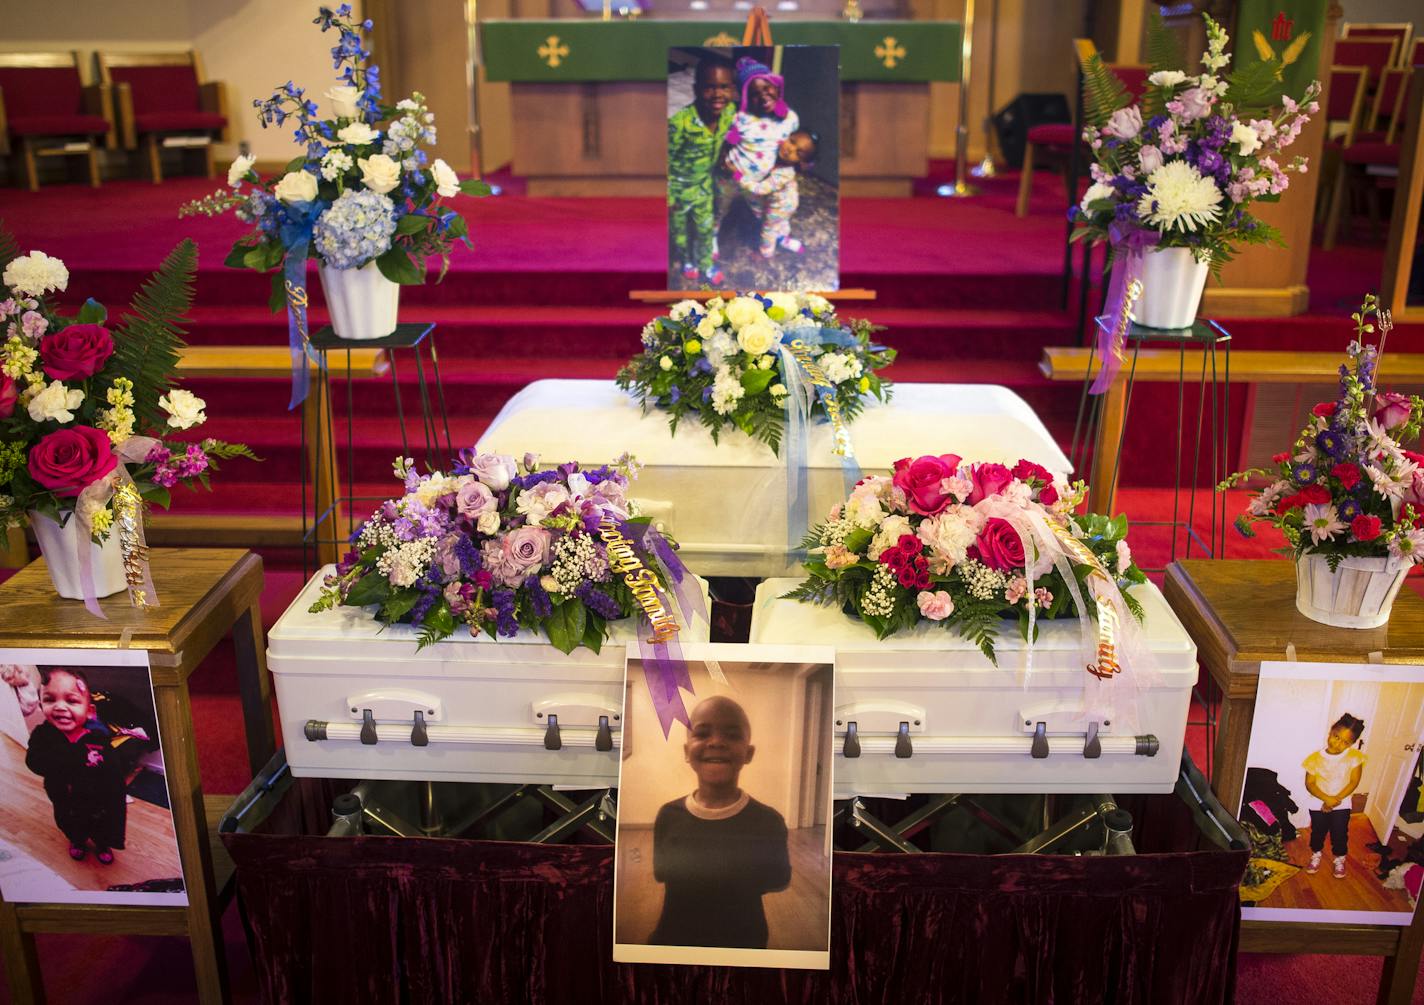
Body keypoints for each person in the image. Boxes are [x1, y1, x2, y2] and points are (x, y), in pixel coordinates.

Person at [649, 695, 791, 948]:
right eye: (702, 733)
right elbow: (661, 873)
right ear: (686, 751)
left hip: (744, 942)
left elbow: (779, 880)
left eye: (733, 735)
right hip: (673, 939)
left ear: (749, 753)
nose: (716, 742)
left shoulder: (770, 822)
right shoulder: (668, 816)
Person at [11, 667, 129, 864]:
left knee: (100, 826)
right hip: (64, 799)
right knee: (70, 824)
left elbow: (113, 773)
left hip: (97, 802)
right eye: (50, 699)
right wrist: (62, 755)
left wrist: (115, 797)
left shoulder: (98, 739)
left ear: (89, 712)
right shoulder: (43, 735)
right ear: (41, 705)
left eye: (71, 700)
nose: (59, 707)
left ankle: (102, 844)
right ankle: (78, 841)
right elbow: (33, 762)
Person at [716, 57, 804, 259]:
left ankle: (780, 237)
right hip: (732, 175)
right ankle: (712, 236)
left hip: (763, 183)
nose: (763, 96)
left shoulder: (790, 118)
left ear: (776, 87)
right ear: (746, 98)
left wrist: (799, 163)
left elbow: (795, 146)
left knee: (766, 213)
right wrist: (722, 159)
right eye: (754, 94)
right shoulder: (740, 118)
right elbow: (728, 141)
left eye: (767, 88)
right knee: (720, 206)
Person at [668, 57, 736, 286]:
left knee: (705, 229)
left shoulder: (729, 114)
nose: (718, 94)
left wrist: (725, 157)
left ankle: (705, 263)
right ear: (696, 89)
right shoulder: (680, 123)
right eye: (710, 86)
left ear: (733, 90)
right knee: (680, 233)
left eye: (724, 87)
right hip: (678, 188)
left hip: (704, 185)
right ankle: (687, 260)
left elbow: (726, 139)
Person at [1302, 713, 1367, 879]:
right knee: (1318, 831)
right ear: (1330, 732)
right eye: (1336, 737)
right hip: (1318, 803)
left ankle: (1340, 858)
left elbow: (1353, 782)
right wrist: (1326, 799)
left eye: (1345, 742)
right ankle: (1316, 854)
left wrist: (1334, 801)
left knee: (1339, 833)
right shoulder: (1314, 758)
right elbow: (1310, 784)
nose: (1338, 744)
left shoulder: (1355, 757)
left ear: (1352, 743)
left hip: (1342, 804)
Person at [733, 130, 817, 259]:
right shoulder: (776, 152)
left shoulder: (785, 173)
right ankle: (783, 237)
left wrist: (739, 176)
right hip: (786, 201)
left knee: (768, 229)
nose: (790, 149)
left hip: (782, 205)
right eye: (792, 141)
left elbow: (760, 189)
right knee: (780, 221)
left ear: (800, 161)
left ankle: (765, 252)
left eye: (798, 153)